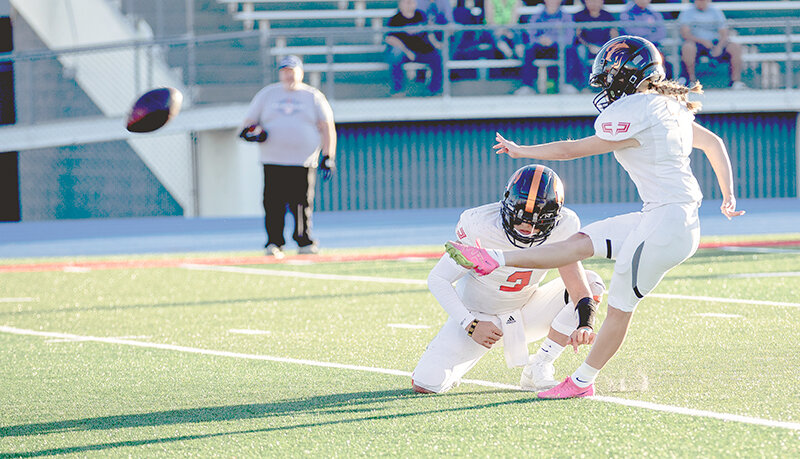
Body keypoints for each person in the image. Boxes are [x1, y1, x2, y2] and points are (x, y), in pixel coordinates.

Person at [445, 36, 745, 399]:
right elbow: (715, 144)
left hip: (666, 226)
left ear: (628, 77)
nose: (605, 86)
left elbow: (572, 150)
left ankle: (583, 381)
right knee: (577, 244)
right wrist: (727, 195)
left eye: (609, 78)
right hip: (663, 217)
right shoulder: (669, 107)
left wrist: (521, 150)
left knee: (620, 309)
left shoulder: (637, 110)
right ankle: (497, 260)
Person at [412, 164, 606, 394]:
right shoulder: (480, 226)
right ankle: (449, 358)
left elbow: (576, 285)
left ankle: (540, 365)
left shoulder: (563, 227)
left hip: (525, 312)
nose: (529, 228)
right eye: (522, 218)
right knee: (426, 384)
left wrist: (585, 323)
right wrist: (470, 324)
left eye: (539, 221)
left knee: (592, 281)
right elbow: (438, 279)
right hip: (476, 317)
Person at [239, 55, 337, 259]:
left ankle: (304, 240)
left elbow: (328, 127)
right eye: (284, 71)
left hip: (303, 160)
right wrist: (253, 132)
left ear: (301, 72)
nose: (288, 75)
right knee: (273, 203)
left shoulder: (313, 96)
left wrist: (328, 156)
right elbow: (248, 124)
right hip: (273, 159)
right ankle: (274, 242)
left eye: (292, 71)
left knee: (301, 203)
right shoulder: (267, 95)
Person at [678, 0, 745, 89]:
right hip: (696, 43)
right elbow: (685, 34)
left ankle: (735, 82)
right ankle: (691, 82)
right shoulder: (687, 13)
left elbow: (724, 34)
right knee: (688, 47)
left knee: (735, 47)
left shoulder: (716, 12)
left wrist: (719, 47)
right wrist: (703, 42)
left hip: (715, 42)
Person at [515, 0, 575, 94]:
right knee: (528, 50)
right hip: (540, 47)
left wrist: (553, 40)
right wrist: (540, 40)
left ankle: (566, 85)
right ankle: (527, 86)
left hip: (557, 47)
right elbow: (530, 35)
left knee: (569, 50)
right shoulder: (537, 15)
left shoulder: (566, 16)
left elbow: (569, 38)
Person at [385, 0, 444, 96]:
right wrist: (407, 51)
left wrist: (436, 43)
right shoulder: (395, 19)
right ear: (400, 4)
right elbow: (390, 38)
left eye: (411, 2)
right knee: (395, 53)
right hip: (405, 52)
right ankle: (398, 90)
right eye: (406, 2)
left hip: (421, 50)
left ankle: (434, 89)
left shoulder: (420, 15)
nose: (409, 4)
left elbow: (428, 33)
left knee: (438, 56)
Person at [566, 0, 618, 92]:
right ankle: (584, 85)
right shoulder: (579, 16)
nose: (594, 3)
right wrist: (590, 47)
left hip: (604, 47)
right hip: (586, 47)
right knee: (579, 51)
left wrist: (604, 48)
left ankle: (609, 85)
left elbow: (614, 35)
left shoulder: (608, 16)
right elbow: (578, 36)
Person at [619, 0, 673, 79]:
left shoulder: (655, 14)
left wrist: (646, 40)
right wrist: (649, 32)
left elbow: (661, 33)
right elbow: (630, 31)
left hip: (653, 47)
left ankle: (660, 82)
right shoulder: (627, 14)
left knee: (660, 61)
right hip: (634, 48)